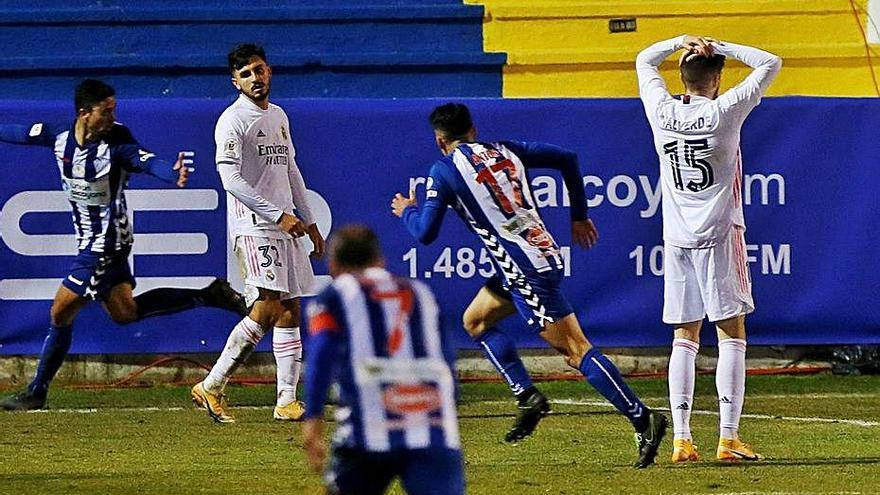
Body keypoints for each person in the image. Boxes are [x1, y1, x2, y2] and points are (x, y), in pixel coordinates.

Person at [391, 103, 668, 468]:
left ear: (440, 140)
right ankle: (527, 396)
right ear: (473, 130)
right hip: (534, 256)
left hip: (525, 270)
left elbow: (425, 233)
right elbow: (567, 158)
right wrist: (579, 215)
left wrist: (407, 210)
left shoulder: (443, 170)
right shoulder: (506, 149)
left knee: (576, 350)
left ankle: (643, 418)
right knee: (475, 321)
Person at [0, 79, 247, 411]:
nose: (112, 117)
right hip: (96, 241)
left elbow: (145, 160)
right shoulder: (59, 137)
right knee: (124, 312)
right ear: (85, 113)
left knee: (60, 311)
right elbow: (20, 132)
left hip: (104, 244)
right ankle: (208, 294)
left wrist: (170, 174)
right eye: (107, 111)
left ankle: (37, 391)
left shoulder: (116, 142)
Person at [635, 35, 781, 462]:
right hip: (720, 234)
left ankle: (682, 439)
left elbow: (645, 58)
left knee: (684, 335)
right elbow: (770, 59)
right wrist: (725, 46)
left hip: (677, 237)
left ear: (681, 77)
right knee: (731, 333)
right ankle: (728, 438)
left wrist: (683, 40)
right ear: (716, 79)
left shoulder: (660, 110)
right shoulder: (723, 111)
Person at [191, 43, 325, 423]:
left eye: (260, 70)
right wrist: (277, 214)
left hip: (285, 226)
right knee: (268, 306)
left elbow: (292, 170)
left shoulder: (279, 116)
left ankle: (285, 401)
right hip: (254, 226)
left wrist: (309, 220)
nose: (255, 78)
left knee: (290, 309)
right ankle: (212, 385)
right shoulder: (232, 120)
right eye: (246, 73)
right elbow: (230, 178)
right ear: (235, 81)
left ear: (270, 72)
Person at [302, 225, 464, 495]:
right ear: (380, 260)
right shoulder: (422, 292)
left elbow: (321, 353)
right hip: (432, 429)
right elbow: (446, 358)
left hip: (366, 432)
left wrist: (313, 417)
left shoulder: (335, 295)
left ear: (333, 265)